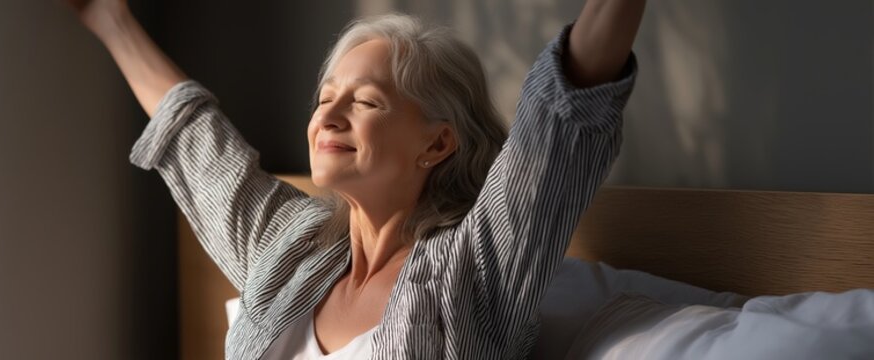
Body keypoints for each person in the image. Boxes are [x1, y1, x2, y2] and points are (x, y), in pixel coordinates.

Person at [65, 0, 643, 358]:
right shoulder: (293, 247)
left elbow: (562, 117)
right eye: (324, 98)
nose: (328, 116)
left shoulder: (471, 275)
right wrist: (108, 17)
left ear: (437, 143)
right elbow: (197, 141)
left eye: (365, 101)